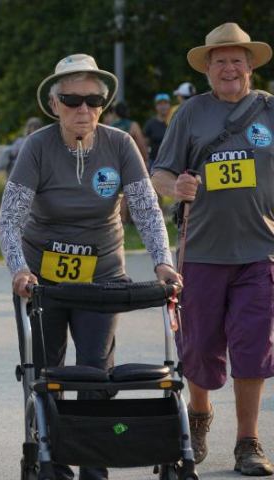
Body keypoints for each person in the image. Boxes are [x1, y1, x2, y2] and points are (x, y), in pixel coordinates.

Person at [0, 54, 179, 480]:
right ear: (55, 104)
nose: (83, 109)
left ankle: (94, 468)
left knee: (96, 371)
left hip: (102, 275)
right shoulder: (37, 147)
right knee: (47, 373)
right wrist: (19, 269)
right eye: (72, 99)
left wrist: (163, 264)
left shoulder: (120, 144)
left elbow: (147, 209)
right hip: (42, 279)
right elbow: (9, 218)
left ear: (103, 105)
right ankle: (50, 464)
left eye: (93, 100)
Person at [150, 22, 274, 476]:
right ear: (207, 68)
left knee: (253, 346)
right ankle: (199, 418)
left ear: (250, 66)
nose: (229, 67)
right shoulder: (189, 114)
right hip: (200, 253)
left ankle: (248, 441)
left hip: (260, 252)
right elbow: (160, 174)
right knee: (198, 346)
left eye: (237, 59)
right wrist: (176, 186)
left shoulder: (269, 112)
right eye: (219, 59)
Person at [144, 93, 171, 168]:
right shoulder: (150, 123)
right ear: (156, 106)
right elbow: (145, 144)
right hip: (154, 162)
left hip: (172, 162)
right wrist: (145, 160)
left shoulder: (175, 122)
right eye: (160, 104)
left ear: (169, 105)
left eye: (165, 103)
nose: (163, 107)